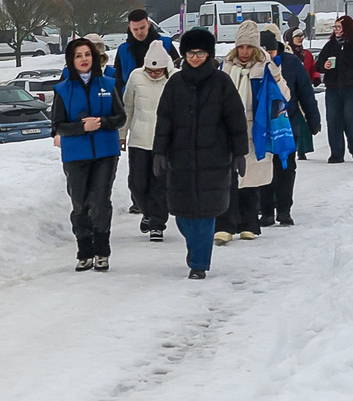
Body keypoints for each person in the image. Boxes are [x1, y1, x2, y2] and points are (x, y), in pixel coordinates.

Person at [150, 27, 248, 281]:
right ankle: (195, 249)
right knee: (183, 216)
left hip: (213, 158)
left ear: (209, 54)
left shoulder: (221, 82)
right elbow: (164, 120)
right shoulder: (175, 83)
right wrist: (159, 151)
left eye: (200, 52)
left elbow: (235, 119)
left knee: (205, 215)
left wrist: (239, 153)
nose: (195, 57)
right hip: (180, 158)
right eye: (190, 53)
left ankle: (199, 263)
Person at [49, 36, 124, 271]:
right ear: (71, 60)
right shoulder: (63, 89)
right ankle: (84, 250)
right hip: (76, 155)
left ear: (95, 57)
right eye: (78, 55)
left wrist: (101, 122)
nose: (83, 59)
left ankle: (102, 250)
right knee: (80, 204)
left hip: (105, 152)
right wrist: (82, 127)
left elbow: (120, 117)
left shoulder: (108, 85)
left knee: (101, 202)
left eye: (87, 54)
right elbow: (57, 125)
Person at [218, 20, 298, 240]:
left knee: (251, 179)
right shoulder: (226, 68)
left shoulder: (265, 68)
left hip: (257, 128)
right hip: (229, 129)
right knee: (228, 177)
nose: (244, 52)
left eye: (249, 47)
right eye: (241, 47)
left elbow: (285, 97)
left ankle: (249, 223)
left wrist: (277, 76)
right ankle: (225, 224)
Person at [260, 29, 321, 227]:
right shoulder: (256, 66)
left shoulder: (292, 63)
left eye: (271, 51)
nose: (268, 56)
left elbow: (305, 93)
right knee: (265, 168)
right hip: (263, 128)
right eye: (263, 51)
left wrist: (313, 119)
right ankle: (267, 211)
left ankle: (284, 210)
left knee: (286, 167)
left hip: (288, 124)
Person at [121, 38, 177, 241]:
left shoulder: (175, 79)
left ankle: (157, 223)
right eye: (150, 71)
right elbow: (128, 107)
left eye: (158, 71)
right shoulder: (136, 77)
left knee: (159, 185)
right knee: (137, 183)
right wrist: (122, 134)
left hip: (164, 142)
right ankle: (147, 212)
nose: (153, 74)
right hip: (139, 140)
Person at [315, 14, 353, 162]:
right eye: (334, 27)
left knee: (350, 119)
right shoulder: (330, 45)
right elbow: (319, 63)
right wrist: (324, 66)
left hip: (352, 88)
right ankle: (336, 153)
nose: (335, 30)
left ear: (346, 28)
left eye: (338, 27)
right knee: (333, 120)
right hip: (333, 88)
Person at [111, 9, 165, 97]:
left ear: (149, 24)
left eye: (142, 28)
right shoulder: (123, 50)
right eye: (135, 29)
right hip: (130, 99)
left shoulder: (165, 45)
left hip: (160, 99)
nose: (139, 32)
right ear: (129, 28)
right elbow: (117, 80)